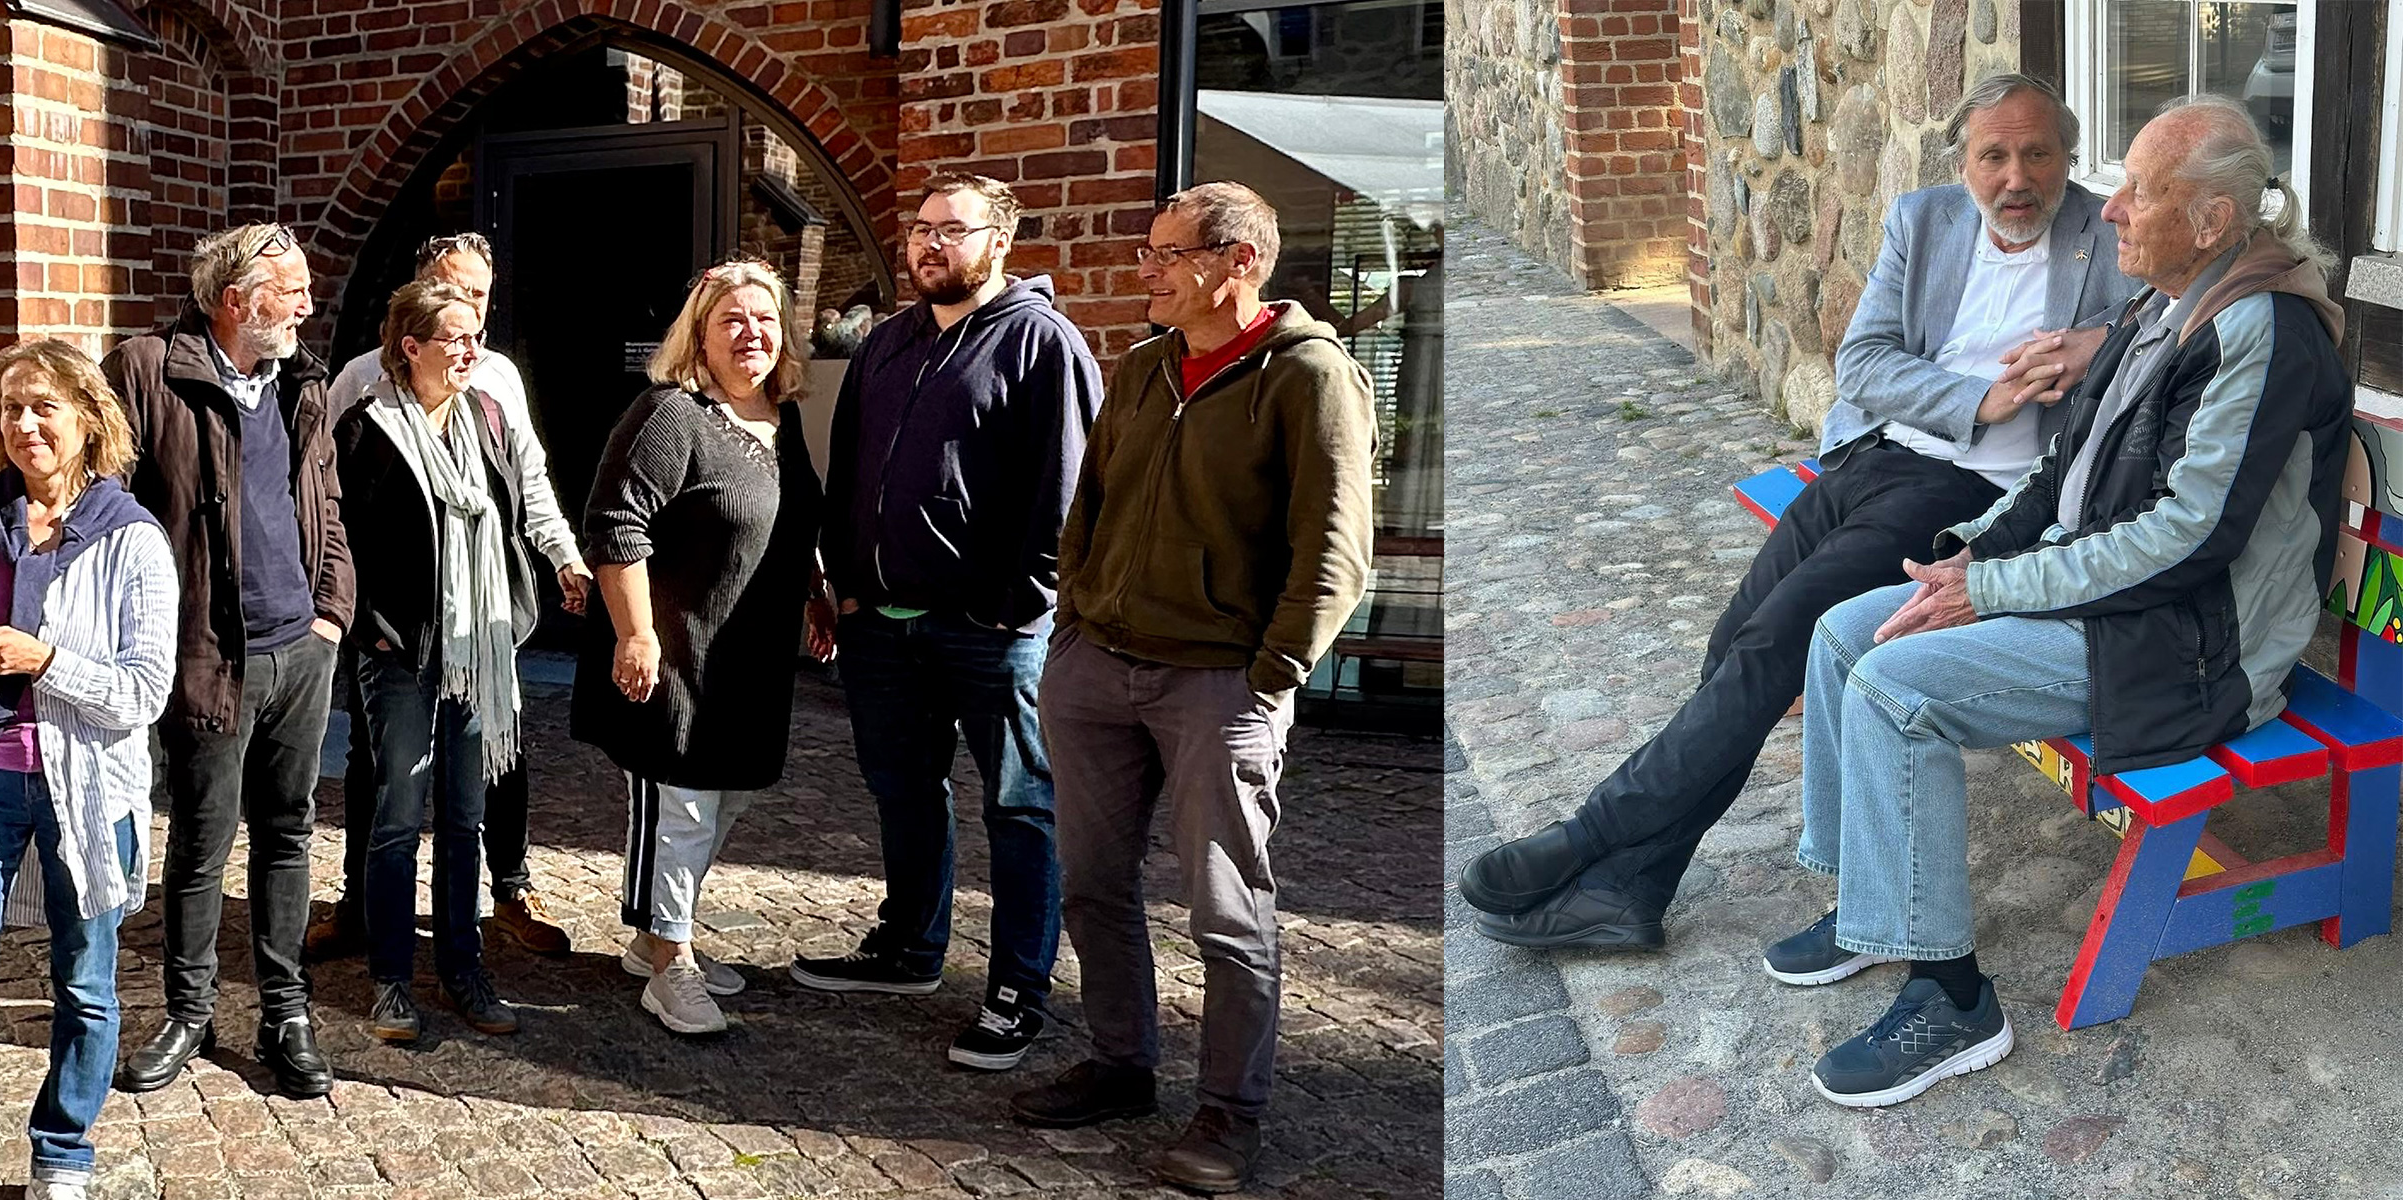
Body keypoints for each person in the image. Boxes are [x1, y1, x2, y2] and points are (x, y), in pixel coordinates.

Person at [1461, 74, 2138, 946]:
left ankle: (1593, 836)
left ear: (2068, 157)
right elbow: (1863, 361)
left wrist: (2099, 343)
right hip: (1873, 459)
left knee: (1775, 642)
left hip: (1971, 497)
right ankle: (1630, 890)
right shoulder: (1925, 220)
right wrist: (1977, 400)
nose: (2017, 178)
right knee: (1732, 646)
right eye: (1994, 156)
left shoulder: (2110, 235)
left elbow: (2182, 317)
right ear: (1963, 162)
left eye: (2038, 154)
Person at [1773, 94, 2349, 1107]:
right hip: (2111, 598)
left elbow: (2187, 540)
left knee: (1897, 692)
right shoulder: (2161, 303)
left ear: (2211, 219)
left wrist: (1994, 589)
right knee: (1842, 633)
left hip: (2194, 646)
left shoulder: (2260, 330)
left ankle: (1954, 1000)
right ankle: (1874, 905)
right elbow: (2060, 470)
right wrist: (1969, 557)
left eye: (2137, 191)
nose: (2110, 208)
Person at [1004, 183, 1375, 1192]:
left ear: (1237, 260)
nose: (1148, 269)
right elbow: (1090, 506)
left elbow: (1335, 546)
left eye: (1168, 253)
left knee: (1226, 908)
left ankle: (1229, 1112)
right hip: (1096, 668)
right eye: (1150, 250)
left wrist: (1272, 674)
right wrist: (1074, 627)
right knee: (1092, 883)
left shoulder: (1310, 376)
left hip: (1219, 683)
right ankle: (1122, 1065)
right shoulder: (1142, 367)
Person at [805, 172, 1101, 1071]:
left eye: (953, 230)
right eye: (921, 229)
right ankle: (908, 947)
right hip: (880, 625)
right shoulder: (887, 342)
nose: (931, 244)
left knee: (1021, 806)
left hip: (992, 633)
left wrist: (1016, 607)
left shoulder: (1041, 342)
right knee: (902, 789)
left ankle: (1018, 988)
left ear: (999, 243)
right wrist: (842, 584)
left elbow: (1068, 495)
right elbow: (849, 470)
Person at [0, 340, 177, 1200]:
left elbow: (145, 691)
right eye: (11, 407)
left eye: (44, 406)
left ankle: (62, 1153)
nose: (24, 424)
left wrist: (46, 661)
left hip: (87, 793)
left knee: (85, 987)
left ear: (88, 419)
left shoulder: (132, 538)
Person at [106, 223, 350, 1098]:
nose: (308, 306)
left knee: (287, 833)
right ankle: (190, 1011)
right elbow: (104, 500)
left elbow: (324, 497)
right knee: (202, 841)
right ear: (238, 300)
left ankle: (286, 1011)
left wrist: (331, 613)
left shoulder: (300, 382)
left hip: (300, 650)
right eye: (293, 291)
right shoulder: (148, 369)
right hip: (208, 654)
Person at [311, 233, 591, 963]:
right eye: (453, 290)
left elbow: (529, 476)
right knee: (380, 765)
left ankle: (509, 890)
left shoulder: (495, 382)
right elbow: (331, 502)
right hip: (398, 627)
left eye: (479, 296)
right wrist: (356, 615)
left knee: (498, 750)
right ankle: (361, 907)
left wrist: (562, 554)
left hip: (479, 617)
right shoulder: (361, 382)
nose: (468, 308)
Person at [574, 260, 834, 1035]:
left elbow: (794, 519)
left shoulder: (780, 419)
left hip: (752, 658)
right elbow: (615, 526)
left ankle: (656, 933)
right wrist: (636, 634)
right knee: (681, 803)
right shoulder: (670, 414)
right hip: (678, 650)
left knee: (732, 792)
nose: (751, 332)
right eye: (732, 320)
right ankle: (670, 963)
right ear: (700, 335)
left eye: (765, 318)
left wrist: (815, 592)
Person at [332, 279, 547, 1042]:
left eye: (475, 335)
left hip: (477, 649)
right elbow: (337, 538)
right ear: (410, 346)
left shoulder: (486, 417)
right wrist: (371, 627)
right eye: (454, 337)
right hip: (401, 654)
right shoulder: (366, 429)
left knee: (465, 819)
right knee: (396, 819)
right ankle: (391, 980)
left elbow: (514, 515)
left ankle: (465, 969)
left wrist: (522, 600)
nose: (471, 349)